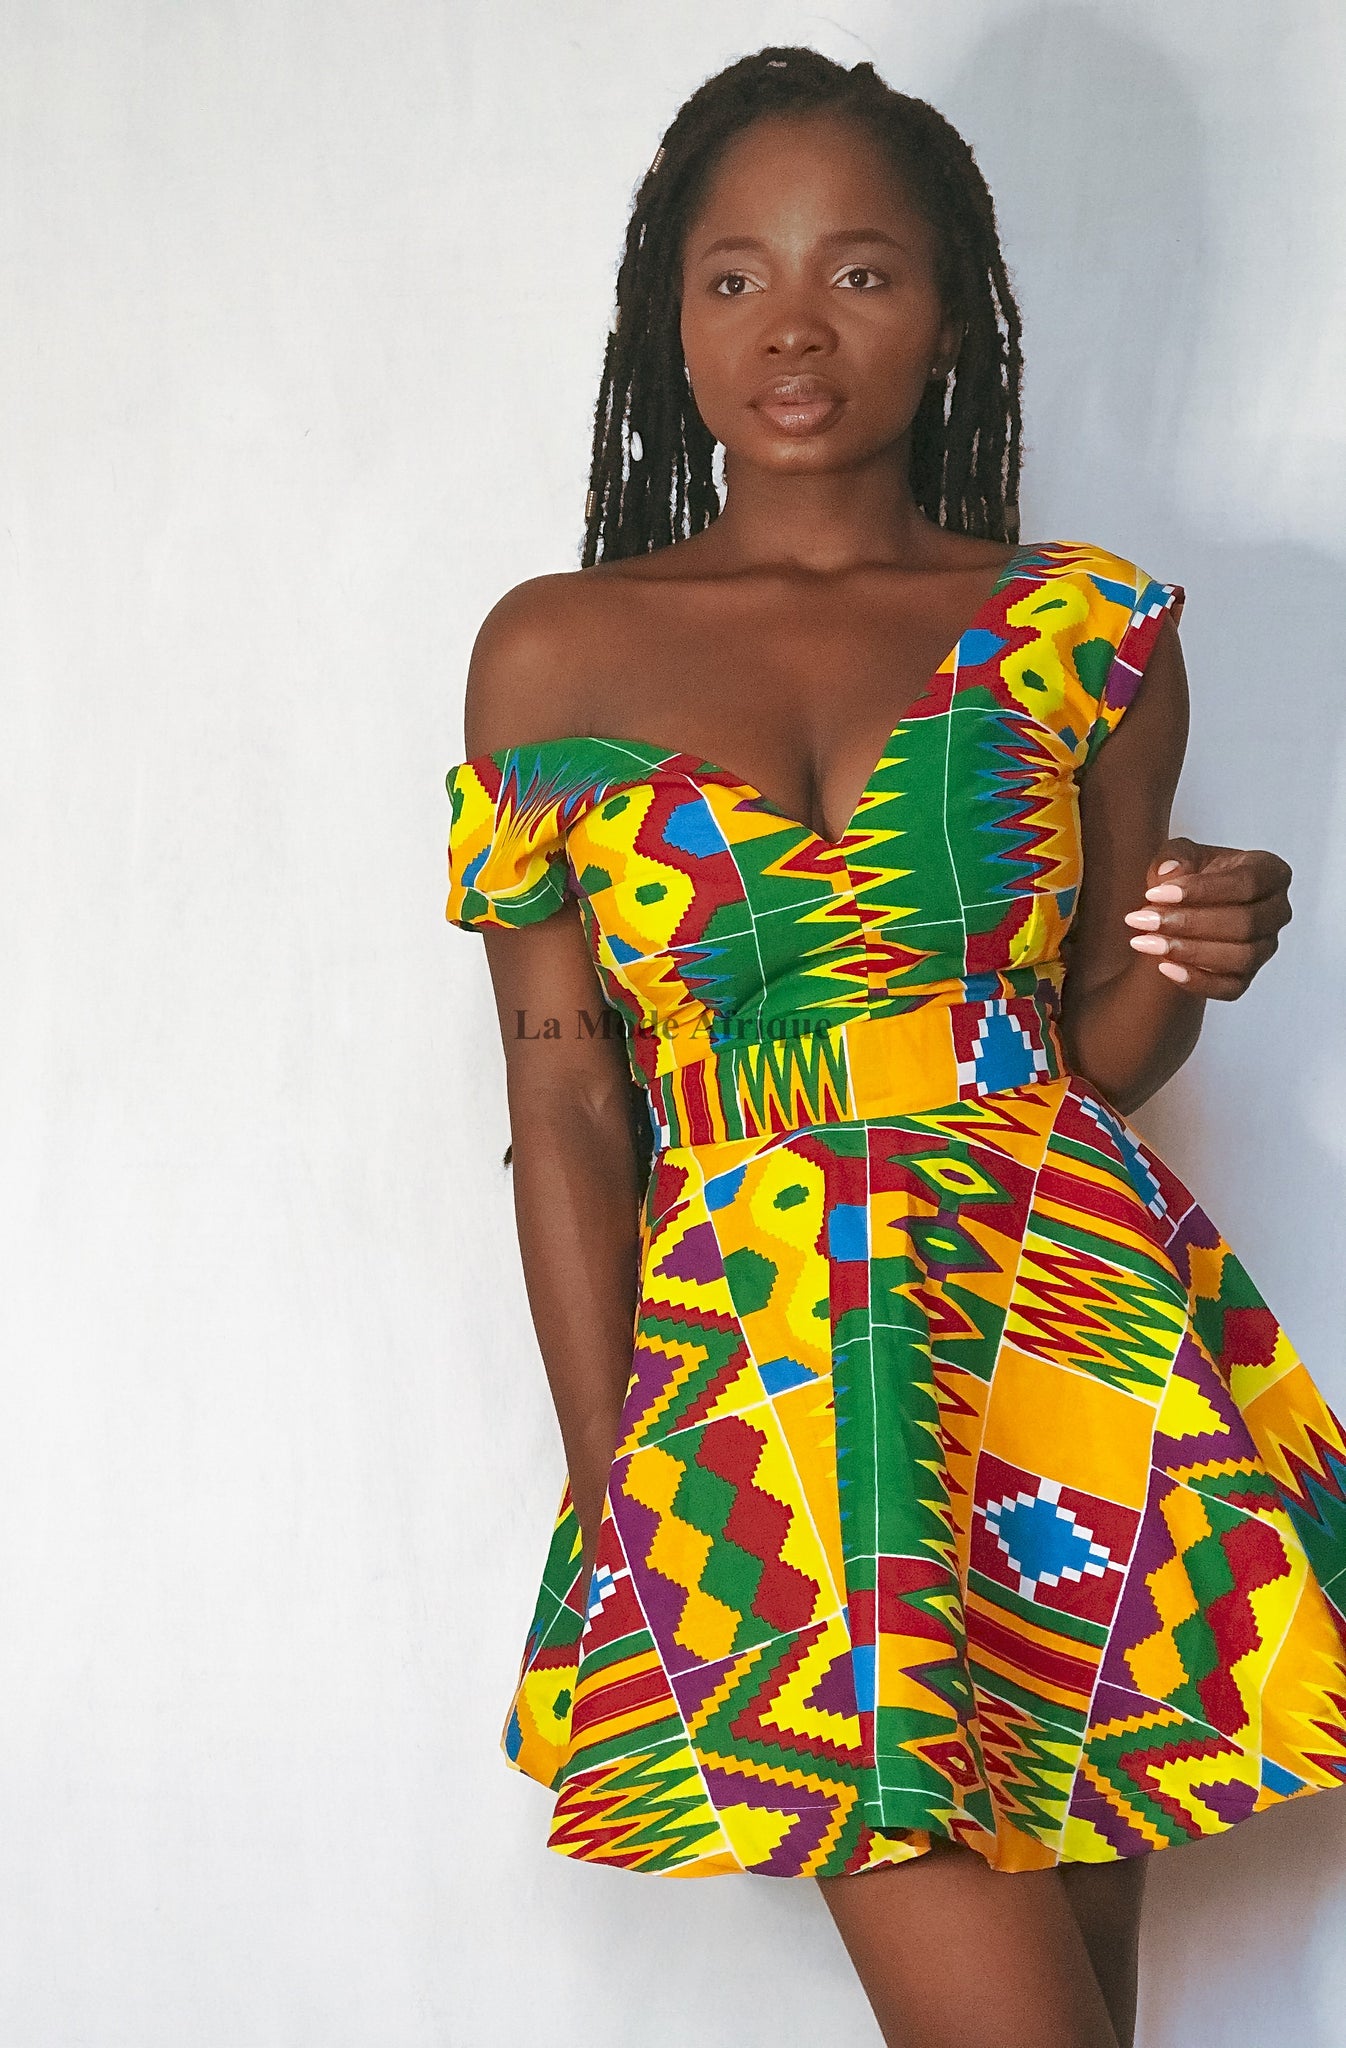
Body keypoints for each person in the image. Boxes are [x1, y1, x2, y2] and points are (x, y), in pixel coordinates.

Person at [444, 46, 1346, 2048]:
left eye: (858, 272)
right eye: (734, 275)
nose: (793, 326)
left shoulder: (1085, 628)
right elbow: (567, 1097)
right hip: (761, 1398)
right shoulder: (549, 651)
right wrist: (621, 1488)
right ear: (667, 318)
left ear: (950, 314)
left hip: (1069, 1360)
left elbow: (1090, 1050)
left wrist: (1196, 944)